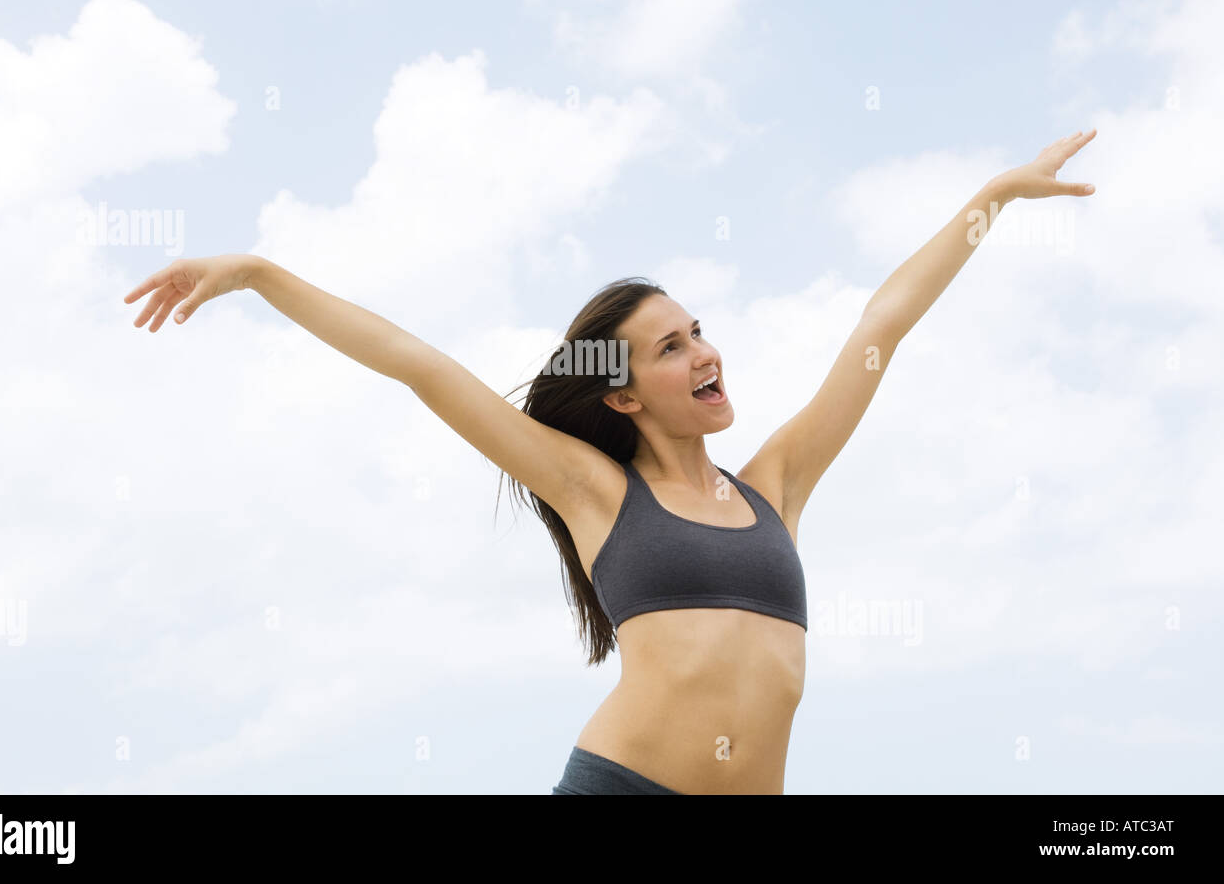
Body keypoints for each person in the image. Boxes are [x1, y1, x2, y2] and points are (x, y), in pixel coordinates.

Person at [124, 129, 1097, 794]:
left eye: (698, 331)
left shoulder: (774, 486)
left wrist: (992, 198)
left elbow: (883, 322)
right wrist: (257, 274)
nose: (703, 351)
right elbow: (420, 366)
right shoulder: (593, 489)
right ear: (621, 394)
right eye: (669, 348)